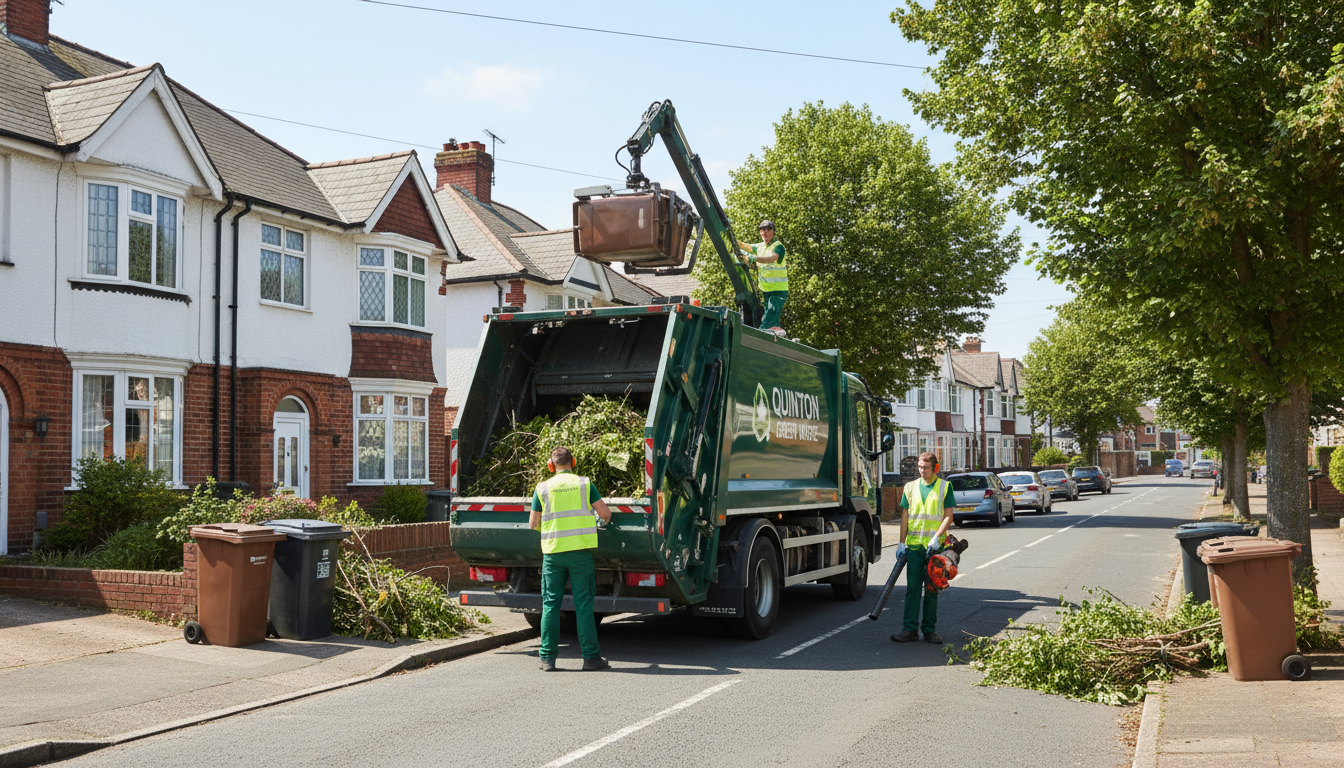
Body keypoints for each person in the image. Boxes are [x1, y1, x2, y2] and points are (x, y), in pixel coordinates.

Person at [530, 446, 612, 671]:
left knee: (550, 604)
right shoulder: (584, 484)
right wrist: (592, 524)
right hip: (580, 554)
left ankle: (547, 659)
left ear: (551, 465)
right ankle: (591, 658)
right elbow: (605, 514)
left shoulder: (543, 488)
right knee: (584, 604)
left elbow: (533, 524)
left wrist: (554, 532)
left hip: (553, 554)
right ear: (572, 462)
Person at [892, 451, 955, 644]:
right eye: (920, 467)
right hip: (914, 547)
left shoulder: (945, 487)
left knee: (931, 588)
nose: (922, 471)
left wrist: (936, 537)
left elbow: (948, 516)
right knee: (912, 588)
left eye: (925, 467)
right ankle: (909, 629)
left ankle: (929, 630)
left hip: (934, 548)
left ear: (935, 468)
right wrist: (901, 541)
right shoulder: (909, 487)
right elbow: (905, 516)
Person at [737, 220, 788, 334]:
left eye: (768, 230)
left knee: (769, 316)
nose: (765, 233)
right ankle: (775, 335)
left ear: (773, 232)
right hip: (766, 290)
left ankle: (760, 335)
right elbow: (747, 247)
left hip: (778, 290)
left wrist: (753, 259)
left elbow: (772, 258)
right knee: (772, 319)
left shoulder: (778, 246)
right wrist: (733, 241)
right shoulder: (760, 247)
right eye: (762, 231)